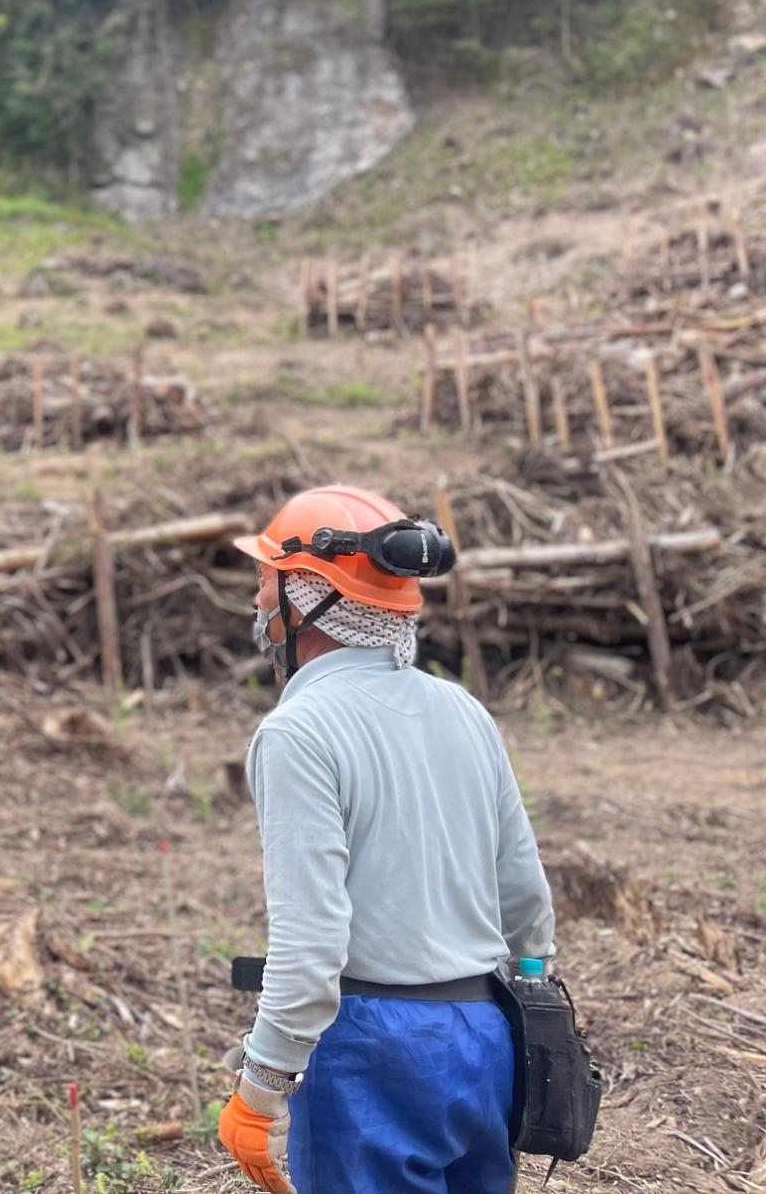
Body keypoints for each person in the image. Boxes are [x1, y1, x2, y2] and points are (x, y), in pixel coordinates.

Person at [215, 484, 556, 1194]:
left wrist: (261, 1084)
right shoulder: (464, 711)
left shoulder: (297, 733)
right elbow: (524, 895)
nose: (256, 599)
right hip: (487, 1034)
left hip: (372, 1052)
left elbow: (311, 941)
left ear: (307, 599)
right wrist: (531, 1003)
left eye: (266, 580)